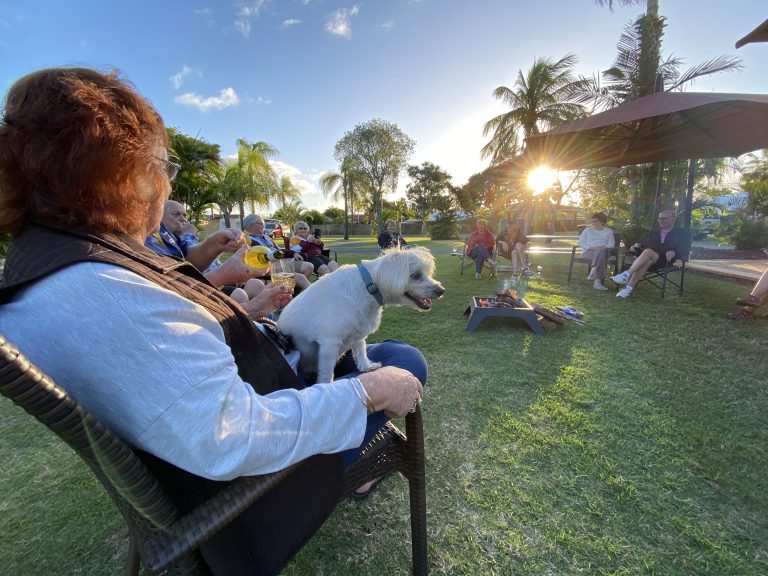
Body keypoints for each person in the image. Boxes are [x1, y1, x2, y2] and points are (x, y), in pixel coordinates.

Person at [0, 67, 425, 575]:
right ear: (125, 173)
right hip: (249, 501)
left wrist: (244, 314)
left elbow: (173, 367)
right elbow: (232, 436)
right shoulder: (103, 294)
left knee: (374, 353)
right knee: (401, 359)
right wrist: (368, 393)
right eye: (163, 167)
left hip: (229, 430)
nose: (164, 183)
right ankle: (357, 470)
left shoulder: (51, 267)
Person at [611, 210, 685, 299]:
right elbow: (638, 245)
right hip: (646, 260)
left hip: (664, 261)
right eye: (659, 219)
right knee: (648, 259)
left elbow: (685, 249)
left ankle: (626, 274)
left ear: (673, 219)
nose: (661, 220)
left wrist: (674, 252)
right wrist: (634, 247)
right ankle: (628, 289)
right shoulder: (651, 233)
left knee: (648, 252)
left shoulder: (681, 234)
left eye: (664, 218)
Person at [242, 213, 313, 291]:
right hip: (269, 266)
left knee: (308, 266)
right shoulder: (245, 239)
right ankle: (297, 295)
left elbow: (279, 250)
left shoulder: (266, 237)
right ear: (252, 225)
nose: (263, 226)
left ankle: (292, 294)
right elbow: (248, 258)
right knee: (300, 278)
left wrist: (293, 253)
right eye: (261, 224)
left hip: (281, 261)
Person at [577, 212, 615, 291]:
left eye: (595, 221)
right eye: (592, 221)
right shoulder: (587, 230)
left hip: (604, 251)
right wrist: (590, 247)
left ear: (602, 222)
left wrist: (602, 247)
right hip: (589, 251)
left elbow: (611, 244)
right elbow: (580, 242)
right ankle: (597, 282)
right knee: (601, 255)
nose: (593, 222)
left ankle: (593, 271)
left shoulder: (609, 231)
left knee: (601, 251)